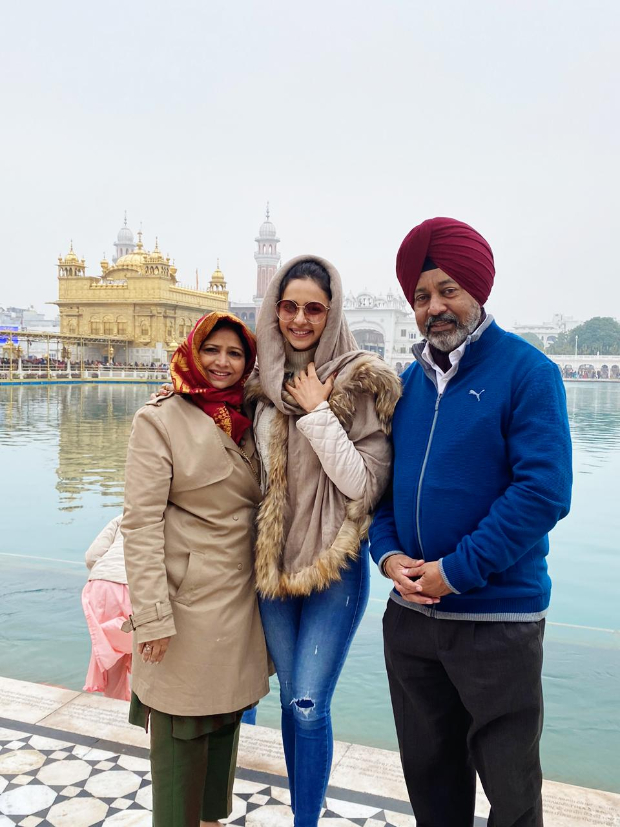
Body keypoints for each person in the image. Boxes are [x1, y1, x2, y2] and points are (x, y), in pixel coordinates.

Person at [369, 217, 573, 827]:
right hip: (411, 620)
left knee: (511, 795)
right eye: (422, 295)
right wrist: (387, 554)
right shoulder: (407, 385)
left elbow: (542, 494)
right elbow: (381, 491)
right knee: (431, 786)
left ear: (478, 290)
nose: (435, 306)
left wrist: (455, 572)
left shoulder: (527, 373)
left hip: (496, 620)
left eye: (448, 290)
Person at [245, 256, 401, 827]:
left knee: (309, 704)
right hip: (272, 568)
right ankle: (299, 808)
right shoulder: (259, 383)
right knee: (288, 698)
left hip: (334, 566)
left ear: (331, 312)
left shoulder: (364, 379)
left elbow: (363, 485)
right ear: (275, 310)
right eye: (289, 307)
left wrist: (318, 413)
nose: (300, 319)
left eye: (314, 308)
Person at [121, 312, 271, 827]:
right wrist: (152, 617)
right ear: (191, 352)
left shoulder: (253, 417)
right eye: (212, 351)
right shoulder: (159, 419)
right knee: (180, 733)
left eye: (235, 353)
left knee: (223, 723)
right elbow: (139, 525)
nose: (222, 363)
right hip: (186, 603)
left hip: (239, 599)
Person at [82, 514, 132, 701]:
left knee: (111, 656)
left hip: (98, 585)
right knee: (148, 651)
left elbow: (91, 556)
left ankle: (115, 706)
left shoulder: (123, 517)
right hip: (135, 585)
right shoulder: (176, 515)